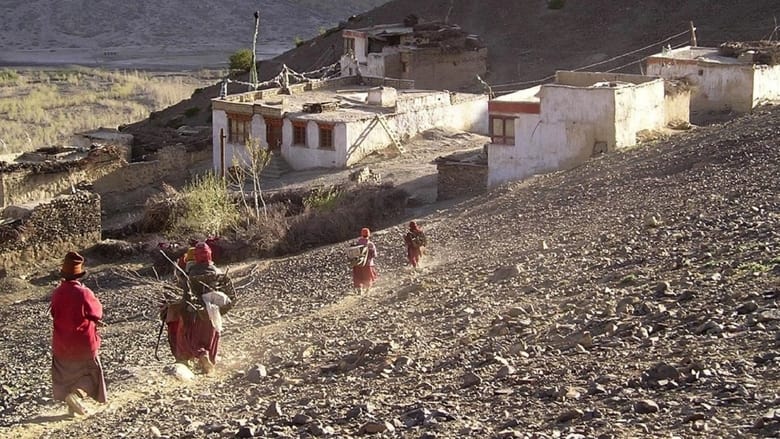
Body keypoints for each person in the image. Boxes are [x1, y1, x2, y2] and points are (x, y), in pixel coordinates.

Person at [50, 251, 106, 416]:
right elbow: (96, 313)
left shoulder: (57, 292)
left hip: (61, 343)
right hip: (83, 343)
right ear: (79, 275)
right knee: (91, 373)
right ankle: (76, 396)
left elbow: (54, 313)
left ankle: (71, 409)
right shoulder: (84, 293)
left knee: (67, 374)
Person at [164, 242, 229, 374]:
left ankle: (197, 356)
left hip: (194, 311)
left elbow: (186, 293)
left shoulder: (189, 272)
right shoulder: (217, 271)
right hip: (213, 311)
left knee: (190, 337)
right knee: (212, 335)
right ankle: (209, 362)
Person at [351, 227, 378, 293]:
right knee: (368, 277)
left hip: (357, 264)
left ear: (361, 234)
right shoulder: (370, 244)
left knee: (358, 277)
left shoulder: (357, 244)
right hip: (368, 264)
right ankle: (367, 290)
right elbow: (374, 255)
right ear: (369, 235)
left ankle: (359, 289)